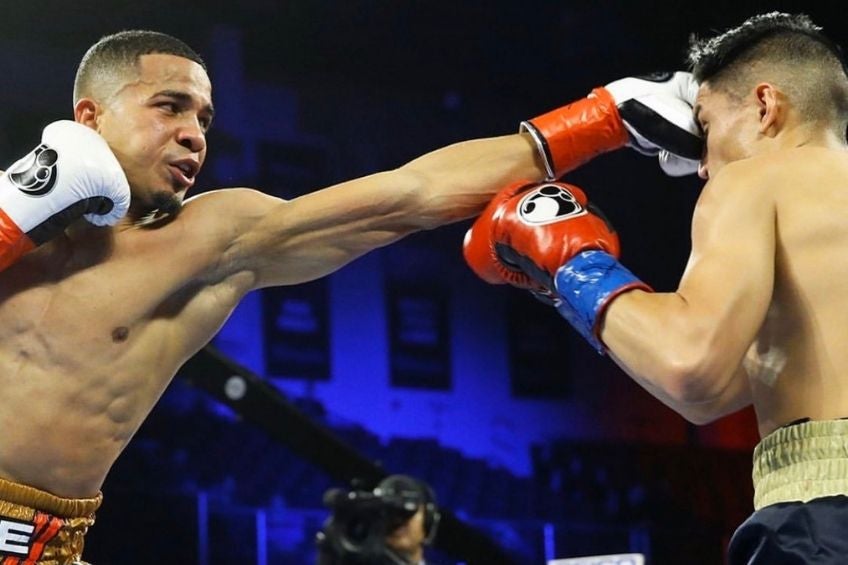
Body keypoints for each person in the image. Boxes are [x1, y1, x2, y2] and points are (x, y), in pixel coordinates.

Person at [0, 29, 697, 564]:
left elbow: (409, 193)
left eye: (206, 119)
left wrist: (604, 118)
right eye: (170, 107)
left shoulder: (211, 238)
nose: (193, 133)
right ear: (88, 115)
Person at [464, 11, 848, 564]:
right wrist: (564, 294)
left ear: (766, 107)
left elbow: (691, 366)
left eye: (708, 129)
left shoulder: (755, 179)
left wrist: (573, 262)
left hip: (825, 517)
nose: (701, 168)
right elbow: (714, 397)